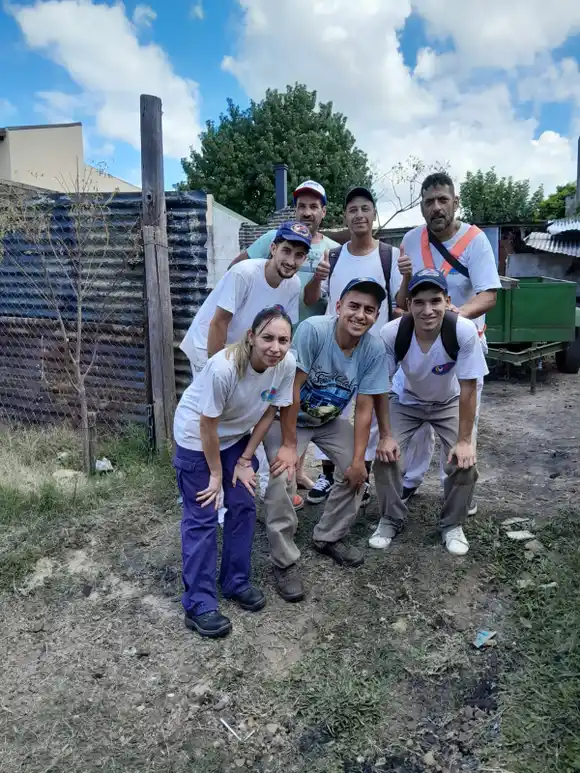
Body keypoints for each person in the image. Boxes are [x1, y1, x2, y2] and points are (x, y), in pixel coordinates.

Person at [262, 278, 392, 602]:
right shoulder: (314, 331)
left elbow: (364, 409)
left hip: (328, 421)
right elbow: (291, 391)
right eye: (354, 306)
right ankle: (284, 561)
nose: (360, 315)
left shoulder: (374, 349)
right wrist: (291, 447)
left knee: (355, 470)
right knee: (283, 475)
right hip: (286, 418)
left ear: (376, 316)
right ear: (338, 307)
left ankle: (329, 537)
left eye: (369, 310)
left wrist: (360, 459)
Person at [173, 307, 297, 638]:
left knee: (243, 503)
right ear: (251, 336)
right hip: (197, 440)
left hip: (235, 438)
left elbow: (271, 410)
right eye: (268, 338)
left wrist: (244, 460)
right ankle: (198, 603)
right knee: (203, 512)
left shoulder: (285, 364)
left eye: (283, 340)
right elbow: (206, 424)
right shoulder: (224, 367)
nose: (275, 347)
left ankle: (235, 581)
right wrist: (216, 474)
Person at [179, 220, 310, 510]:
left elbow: (284, 325)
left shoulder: (294, 283)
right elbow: (218, 323)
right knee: (212, 418)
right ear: (273, 248)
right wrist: (218, 369)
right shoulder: (244, 273)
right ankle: (207, 488)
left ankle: (244, 480)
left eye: (298, 256)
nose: (290, 261)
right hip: (210, 347)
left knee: (251, 414)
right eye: (285, 251)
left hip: (250, 349)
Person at [395, 173, 501, 508]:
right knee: (414, 416)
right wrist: (407, 276)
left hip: (461, 346)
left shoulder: (475, 240)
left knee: (458, 424)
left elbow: (489, 295)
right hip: (419, 346)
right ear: (422, 207)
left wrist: (455, 319)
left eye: (443, 200)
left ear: (455, 202)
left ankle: (455, 492)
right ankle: (409, 481)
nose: (437, 207)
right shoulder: (411, 240)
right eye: (429, 202)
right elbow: (401, 302)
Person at [230, 179, 341, 491]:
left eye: (313, 207)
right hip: (273, 343)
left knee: (301, 407)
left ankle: (297, 472)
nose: (307, 212)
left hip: (314, 343)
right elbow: (238, 267)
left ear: (323, 211)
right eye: (301, 206)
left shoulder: (333, 251)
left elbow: (325, 298)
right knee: (273, 408)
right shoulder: (272, 238)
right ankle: (263, 475)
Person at [371, 269, 488, 556]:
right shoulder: (392, 332)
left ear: (448, 301)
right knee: (386, 455)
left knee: (464, 461)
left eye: (435, 301)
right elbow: (379, 386)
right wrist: (385, 435)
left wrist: (463, 440)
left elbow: (469, 387)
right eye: (419, 302)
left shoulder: (463, 330)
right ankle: (390, 518)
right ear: (408, 304)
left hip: (449, 401)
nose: (428, 310)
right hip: (407, 399)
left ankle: (452, 524)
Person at [302, 186, 402, 505]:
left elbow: (401, 304)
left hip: (376, 349)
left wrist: (409, 280)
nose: (359, 215)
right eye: (353, 210)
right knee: (328, 408)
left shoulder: (391, 256)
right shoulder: (333, 255)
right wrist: (317, 279)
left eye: (365, 209)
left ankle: (363, 473)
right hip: (337, 348)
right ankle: (327, 474)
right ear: (344, 217)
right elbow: (313, 301)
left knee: (369, 413)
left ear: (374, 215)